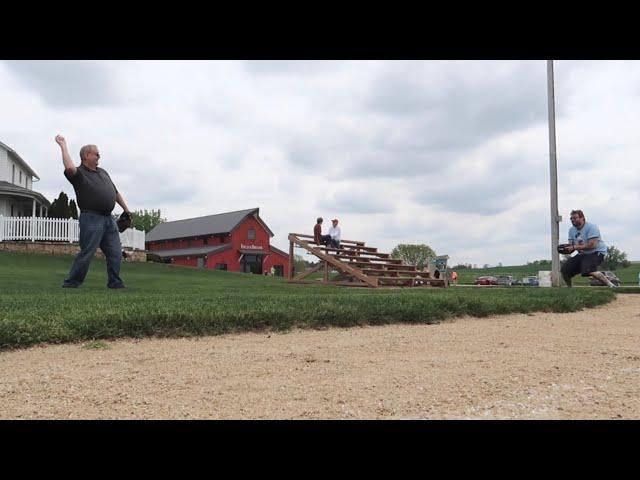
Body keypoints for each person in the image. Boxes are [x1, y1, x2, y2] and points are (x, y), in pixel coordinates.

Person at [55, 135, 131, 289]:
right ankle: (71, 283)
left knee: (115, 252)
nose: (99, 156)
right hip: (91, 218)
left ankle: (115, 282)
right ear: (87, 155)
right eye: (96, 154)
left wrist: (126, 210)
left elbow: (115, 192)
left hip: (109, 219)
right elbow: (69, 168)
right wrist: (63, 145)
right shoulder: (79, 174)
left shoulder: (103, 172)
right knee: (87, 252)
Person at [560, 209, 616, 288]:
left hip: (596, 252)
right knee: (564, 270)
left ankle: (611, 285)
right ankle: (570, 288)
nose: (572, 220)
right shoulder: (571, 230)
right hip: (583, 254)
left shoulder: (591, 227)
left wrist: (575, 247)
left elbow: (592, 245)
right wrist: (567, 249)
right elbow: (571, 245)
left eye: (575, 218)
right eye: (571, 218)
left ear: (582, 218)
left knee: (589, 270)